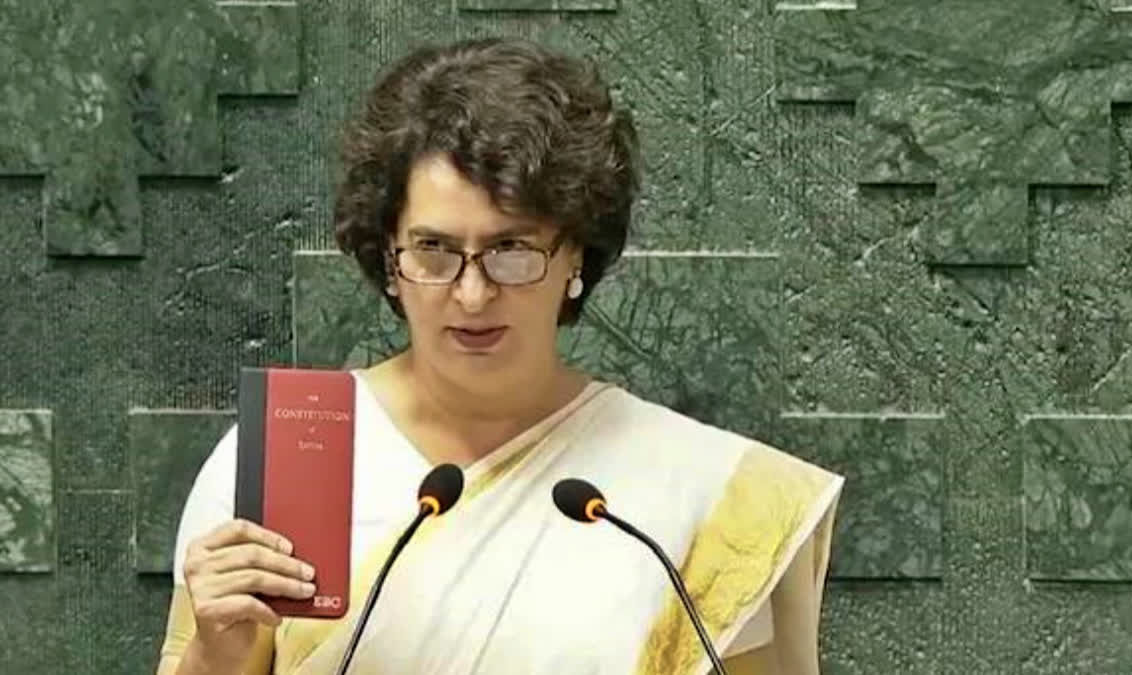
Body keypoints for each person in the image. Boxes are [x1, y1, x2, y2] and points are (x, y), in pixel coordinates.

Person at [156, 36, 844, 675]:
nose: (473, 292)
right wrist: (219, 652)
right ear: (389, 260)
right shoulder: (287, 456)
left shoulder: (702, 495)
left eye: (511, 249)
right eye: (434, 250)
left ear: (575, 252)